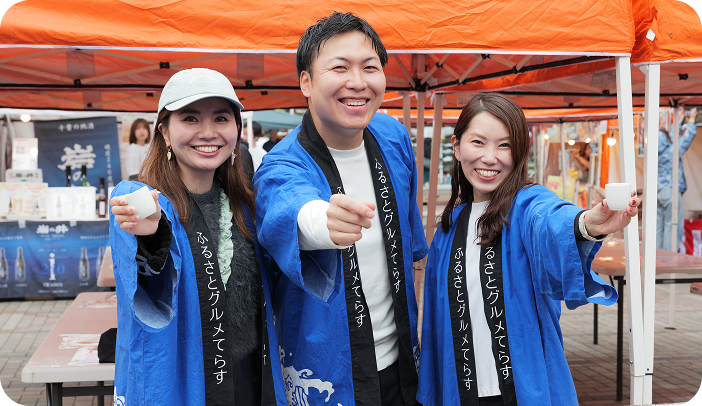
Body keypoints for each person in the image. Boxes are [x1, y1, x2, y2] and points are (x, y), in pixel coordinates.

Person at [416, 93, 640, 406]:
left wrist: (587, 223)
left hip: (521, 390)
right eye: (478, 142)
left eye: (504, 145)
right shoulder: (448, 229)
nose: (490, 157)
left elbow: (551, 219)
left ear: (520, 152)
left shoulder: (526, 206)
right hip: (462, 390)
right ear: (456, 146)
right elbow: (435, 323)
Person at [254, 12, 428, 406]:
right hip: (326, 372)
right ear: (306, 82)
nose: (358, 82)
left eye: (370, 67)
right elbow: (288, 206)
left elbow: (409, 243)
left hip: (402, 361)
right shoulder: (282, 164)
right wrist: (321, 222)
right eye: (340, 68)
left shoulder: (393, 136)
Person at [108, 68, 285, 405]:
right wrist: (152, 237)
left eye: (221, 118)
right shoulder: (146, 202)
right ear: (164, 130)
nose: (208, 132)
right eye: (190, 118)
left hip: (249, 380)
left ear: (236, 129)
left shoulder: (246, 205)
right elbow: (144, 281)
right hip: (181, 383)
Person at [657, 106, 698, 251]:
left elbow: (672, 140)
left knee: (658, 228)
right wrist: (691, 120)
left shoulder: (657, 152)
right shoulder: (670, 152)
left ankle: (656, 258)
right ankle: (668, 259)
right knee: (673, 228)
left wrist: (679, 122)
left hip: (657, 192)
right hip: (670, 191)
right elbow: (685, 140)